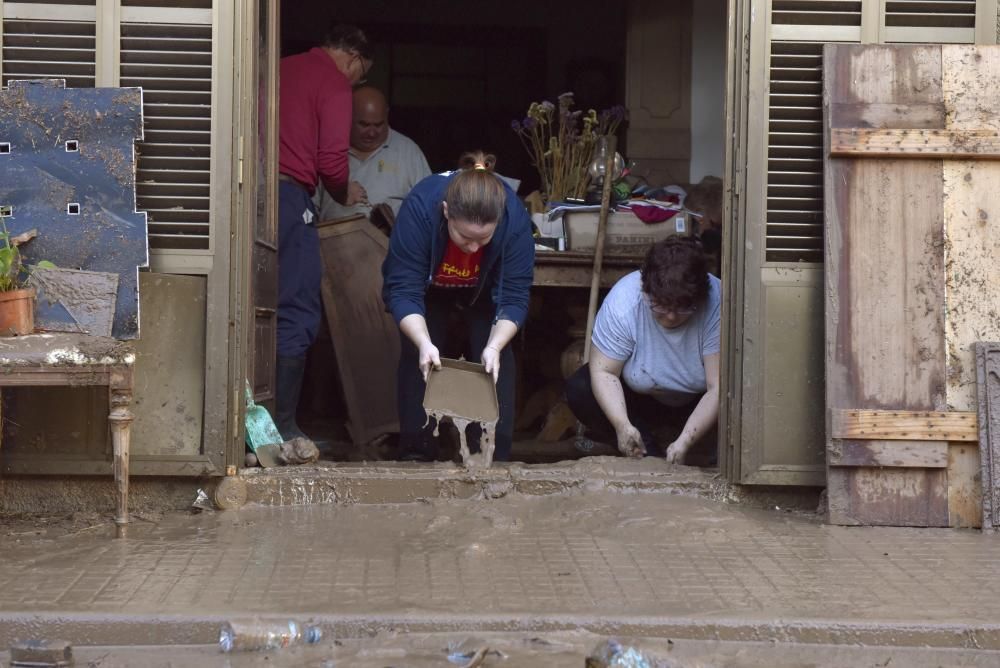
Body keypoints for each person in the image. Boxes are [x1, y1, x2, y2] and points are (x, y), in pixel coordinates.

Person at [381, 151, 535, 462]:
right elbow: (403, 290)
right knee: (420, 356)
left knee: (495, 358)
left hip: (486, 291)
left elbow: (514, 297)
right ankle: (416, 453)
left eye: (484, 239)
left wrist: (495, 345)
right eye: (465, 238)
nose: (474, 247)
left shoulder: (514, 218)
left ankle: (492, 457)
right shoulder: (421, 209)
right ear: (447, 211)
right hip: (429, 291)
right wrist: (424, 342)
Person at [276, 24, 372, 441]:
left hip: (247, 199)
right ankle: (281, 425)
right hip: (289, 198)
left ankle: (248, 420)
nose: (356, 81)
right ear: (352, 58)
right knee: (297, 307)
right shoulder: (333, 83)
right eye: (361, 74)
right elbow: (332, 161)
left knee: (254, 304)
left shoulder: (276, 69)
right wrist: (344, 190)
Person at [566, 237, 720, 465]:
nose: (670, 316)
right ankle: (645, 451)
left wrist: (686, 440)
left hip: (698, 402)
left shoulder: (718, 303)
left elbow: (719, 386)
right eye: (661, 306)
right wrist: (622, 425)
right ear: (646, 290)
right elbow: (604, 372)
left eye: (683, 308)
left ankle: (711, 456)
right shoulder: (624, 302)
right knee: (581, 388)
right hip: (644, 398)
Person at [314, 86, 432, 221]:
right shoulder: (327, 149)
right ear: (347, 116)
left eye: (378, 125)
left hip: (389, 240)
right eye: (364, 125)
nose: (371, 133)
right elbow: (308, 207)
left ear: (387, 115)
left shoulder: (408, 151)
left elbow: (428, 205)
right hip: (333, 238)